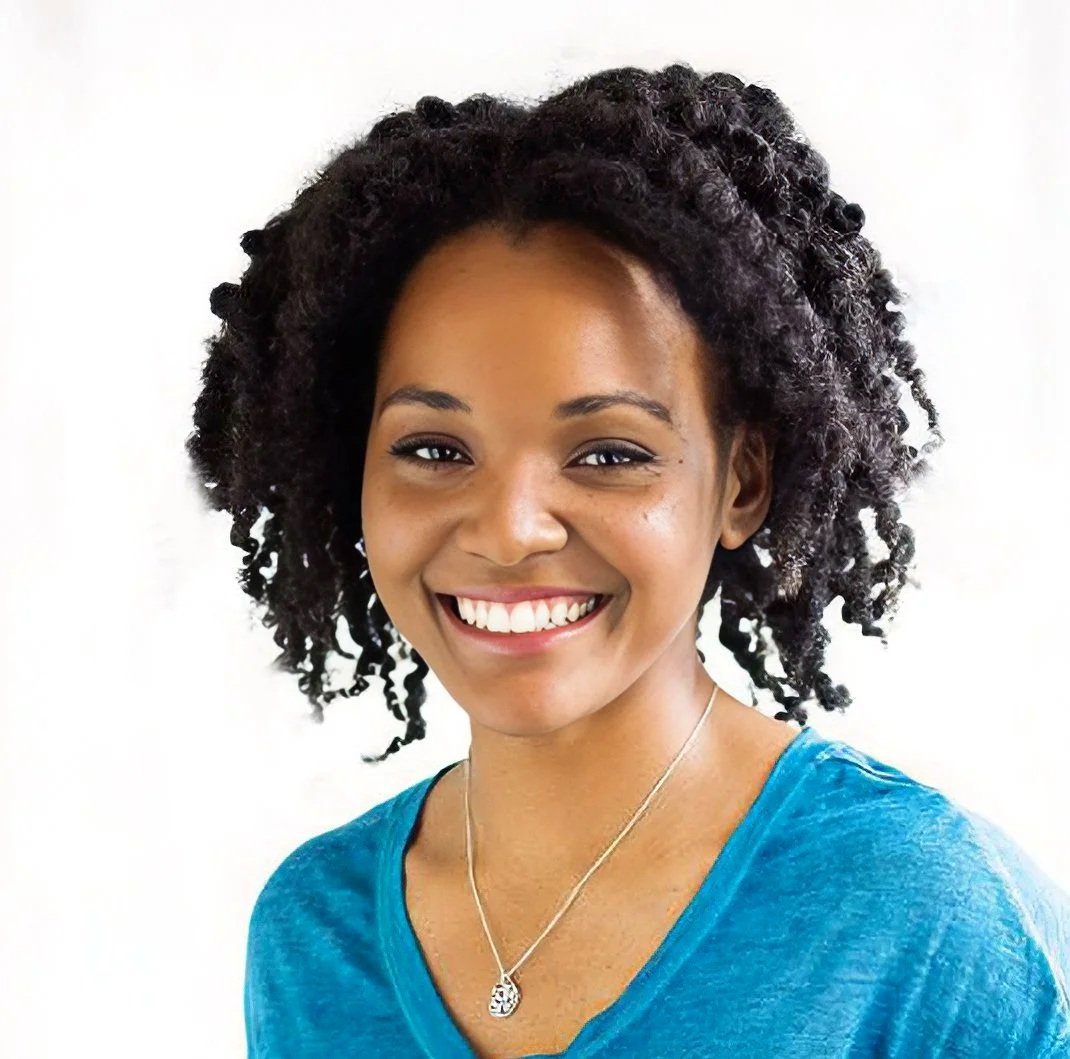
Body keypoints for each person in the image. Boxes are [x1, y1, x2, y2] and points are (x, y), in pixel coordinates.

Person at [186, 63, 1070, 1058]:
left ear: (739, 484)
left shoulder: (927, 916)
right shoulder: (316, 933)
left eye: (607, 454)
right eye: (434, 451)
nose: (509, 527)